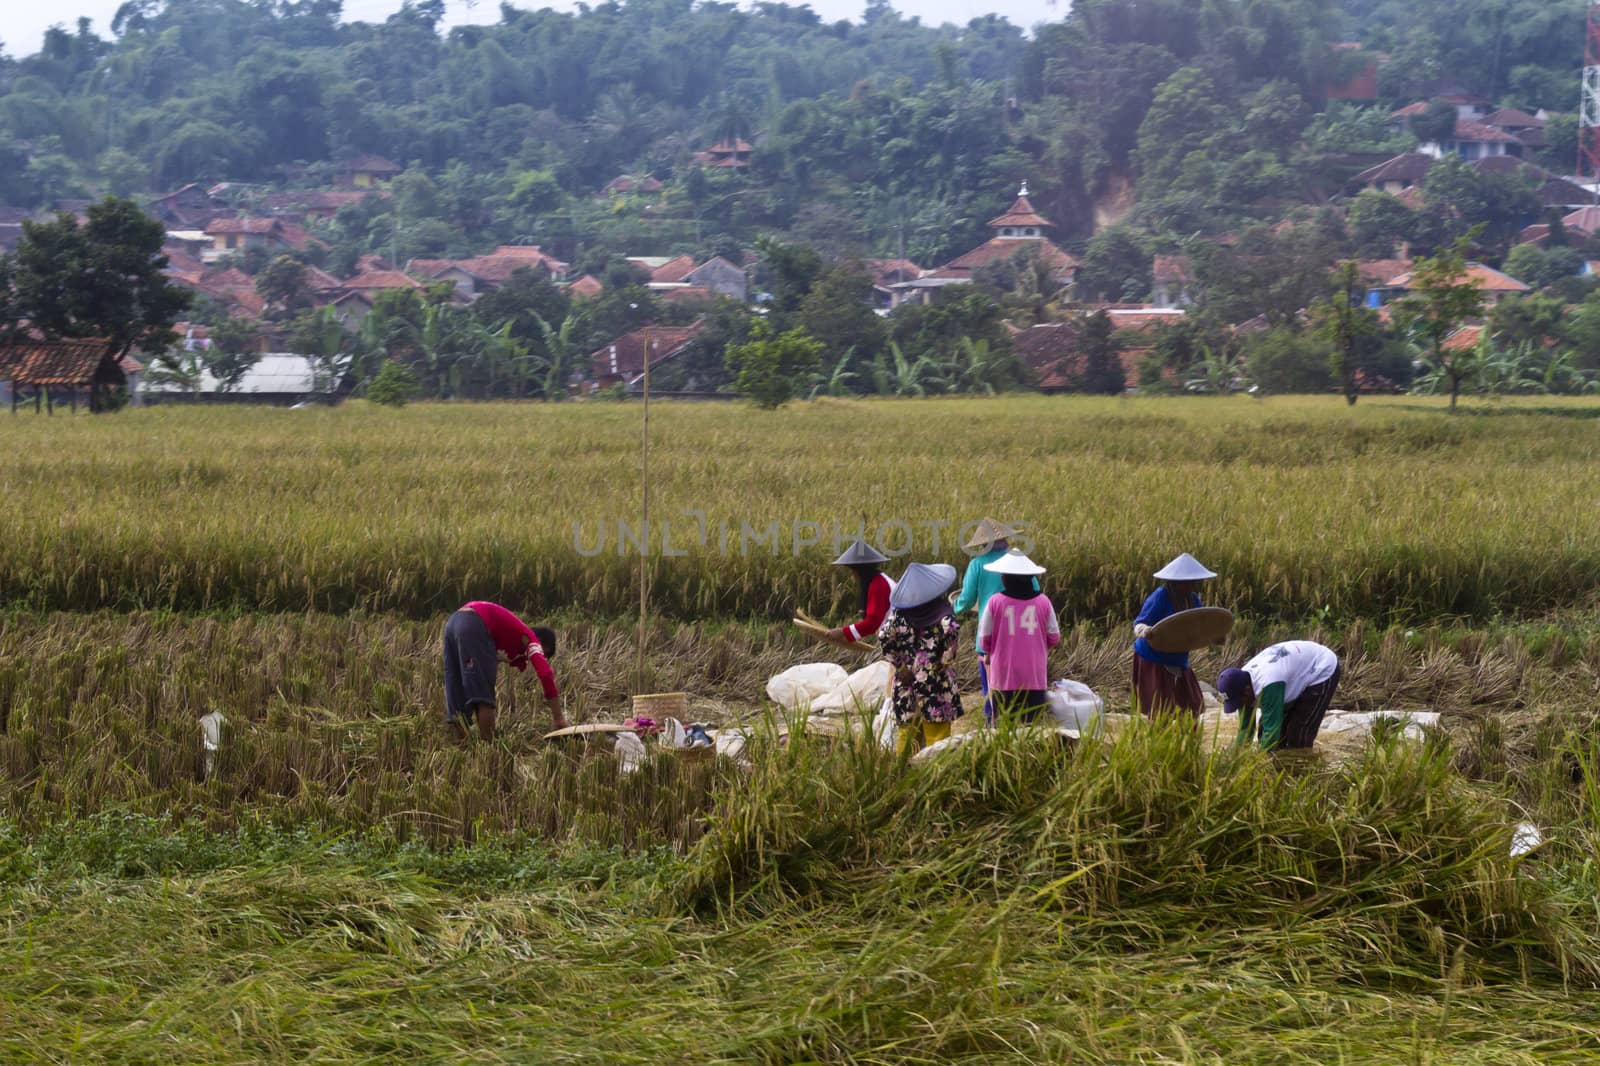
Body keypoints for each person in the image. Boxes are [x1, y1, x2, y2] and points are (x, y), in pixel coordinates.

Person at [442, 600, 565, 742]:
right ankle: (488, 747)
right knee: (483, 695)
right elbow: (545, 674)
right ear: (542, 643)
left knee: (456, 689)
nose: (535, 659)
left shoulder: (510, 636)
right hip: (473, 623)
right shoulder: (531, 639)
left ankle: (460, 746)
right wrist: (558, 717)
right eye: (544, 654)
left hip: (453, 622)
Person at [952, 518, 1036, 717]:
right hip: (1022, 633)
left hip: (992, 636)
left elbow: (966, 599)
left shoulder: (977, 564)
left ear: (982, 544)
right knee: (1022, 690)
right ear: (1005, 539)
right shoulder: (1017, 560)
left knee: (992, 689)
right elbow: (1035, 590)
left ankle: (993, 726)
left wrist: (951, 610)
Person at [878, 562, 964, 754]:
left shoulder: (898, 616)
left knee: (907, 736)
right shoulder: (943, 615)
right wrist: (945, 661)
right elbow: (952, 634)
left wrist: (900, 667)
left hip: (906, 682)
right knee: (937, 738)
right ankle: (934, 777)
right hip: (935, 683)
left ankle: (903, 778)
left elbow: (883, 636)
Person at [976, 550, 1060, 725]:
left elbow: (984, 639)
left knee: (1004, 725)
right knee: (1032, 725)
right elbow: (1054, 637)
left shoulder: (995, 602)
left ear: (1005, 578)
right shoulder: (1044, 601)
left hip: (1003, 675)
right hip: (1034, 674)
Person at [1130, 552, 1216, 718]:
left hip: (1178, 657)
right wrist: (1145, 631)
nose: (1190, 586)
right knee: (1160, 706)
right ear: (1176, 582)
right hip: (1153, 656)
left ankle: (1188, 738)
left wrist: (1213, 637)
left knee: (1192, 703)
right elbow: (1139, 623)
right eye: (1186, 583)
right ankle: (1158, 739)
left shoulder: (1193, 599)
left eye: (1192, 582)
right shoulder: (1160, 597)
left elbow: (1198, 626)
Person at [1218, 641, 1342, 750]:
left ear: (1246, 690)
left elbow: (1272, 734)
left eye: (1239, 702)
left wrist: (1256, 764)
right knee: (1264, 735)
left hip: (1321, 668)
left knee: (1298, 735)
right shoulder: (1240, 684)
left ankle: (1301, 771)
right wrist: (1235, 758)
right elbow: (1245, 730)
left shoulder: (1268, 682)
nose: (1241, 706)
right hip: (1291, 673)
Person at [825, 540, 896, 646]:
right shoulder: (881, 580)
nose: (853, 575)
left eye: (853, 571)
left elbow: (873, 622)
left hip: (900, 638)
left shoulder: (877, 586)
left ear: (860, 571)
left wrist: (842, 632)